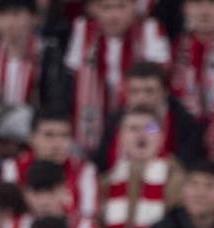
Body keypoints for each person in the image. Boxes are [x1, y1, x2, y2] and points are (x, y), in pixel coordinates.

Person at [63, 0, 171, 154]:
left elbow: (161, 81)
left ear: (134, 7)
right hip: (93, 122)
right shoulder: (83, 30)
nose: (114, 15)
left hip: (144, 122)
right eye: (106, 7)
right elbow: (71, 80)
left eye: (121, 6)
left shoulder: (150, 30)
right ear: (94, 9)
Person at [101, 105, 185, 228]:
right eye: (133, 129)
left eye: (150, 128)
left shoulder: (177, 178)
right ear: (121, 137)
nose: (142, 134)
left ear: (161, 135)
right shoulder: (106, 181)